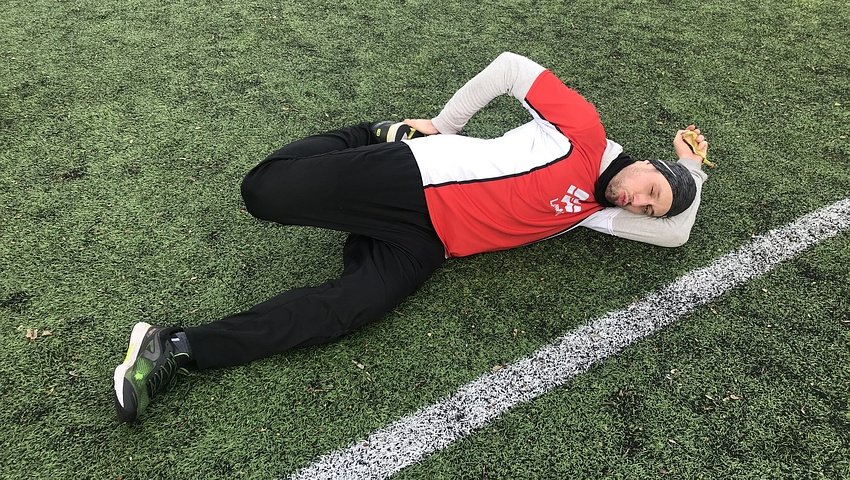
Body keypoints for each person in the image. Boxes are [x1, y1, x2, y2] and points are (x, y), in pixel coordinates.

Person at [112, 52, 709, 423]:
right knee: (262, 192)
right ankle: (372, 134)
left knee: (349, 310)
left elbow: (678, 234)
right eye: (650, 190)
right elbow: (511, 68)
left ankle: (177, 346)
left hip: (426, 244)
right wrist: (444, 126)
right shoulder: (585, 133)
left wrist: (692, 171)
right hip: (414, 176)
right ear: (647, 164)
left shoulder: (596, 211)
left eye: (649, 208)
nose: (639, 204)